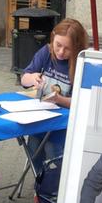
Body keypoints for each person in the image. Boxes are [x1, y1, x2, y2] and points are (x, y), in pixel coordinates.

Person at [21, 18, 88, 165]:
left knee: (53, 152)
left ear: (76, 47)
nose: (61, 52)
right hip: (40, 117)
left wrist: (58, 99)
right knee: (34, 152)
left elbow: (83, 102)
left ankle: (55, 187)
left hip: (62, 123)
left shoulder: (81, 63)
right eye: (58, 45)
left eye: (67, 48)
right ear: (52, 37)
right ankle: (41, 185)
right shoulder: (46, 52)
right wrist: (32, 78)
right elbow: (24, 79)